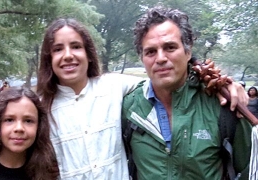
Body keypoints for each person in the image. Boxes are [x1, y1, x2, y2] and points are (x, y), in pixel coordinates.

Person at [36, 17, 248, 180]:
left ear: (89, 53)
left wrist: (226, 84)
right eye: (57, 49)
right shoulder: (39, 108)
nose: (68, 55)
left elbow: (166, 76)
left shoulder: (113, 87)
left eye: (76, 46)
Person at [121, 6, 252, 180]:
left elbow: (250, 170)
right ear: (141, 58)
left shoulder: (224, 107)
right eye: (151, 51)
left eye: (170, 47)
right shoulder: (129, 107)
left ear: (188, 52)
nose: (160, 58)